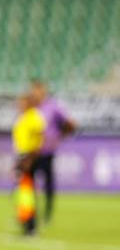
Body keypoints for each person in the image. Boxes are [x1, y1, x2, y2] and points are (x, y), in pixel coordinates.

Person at [29, 80, 78, 223]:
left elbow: (69, 123)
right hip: (31, 152)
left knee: (48, 183)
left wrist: (59, 137)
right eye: (33, 90)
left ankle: (47, 214)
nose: (35, 93)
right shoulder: (31, 107)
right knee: (29, 184)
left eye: (37, 90)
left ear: (43, 91)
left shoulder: (53, 107)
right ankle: (31, 213)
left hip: (46, 151)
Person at [12, 94, 46, 235]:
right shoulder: (24, 117)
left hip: (29, 156)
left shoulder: (34, 117)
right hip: (22, 155)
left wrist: (29, 159)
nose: (19, 105)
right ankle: (25, 219)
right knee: (24, 190)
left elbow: (39, 137)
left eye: (22, 103)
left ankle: (30, 224)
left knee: (28, 190)